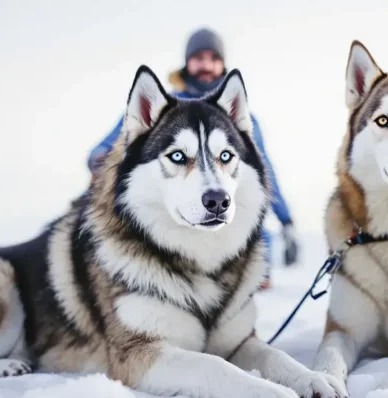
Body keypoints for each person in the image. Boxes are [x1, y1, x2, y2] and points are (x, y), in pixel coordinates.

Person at [86, 28, 298, 289]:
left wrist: (286, 220)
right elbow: (110, 148)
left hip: (232, 233)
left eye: (213, 57)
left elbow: (263, 173)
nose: (206, 65)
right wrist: (101, 160)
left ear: (222, 63)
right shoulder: (160, 109)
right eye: (199, 57)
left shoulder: (240, 118)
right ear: (188, 62)